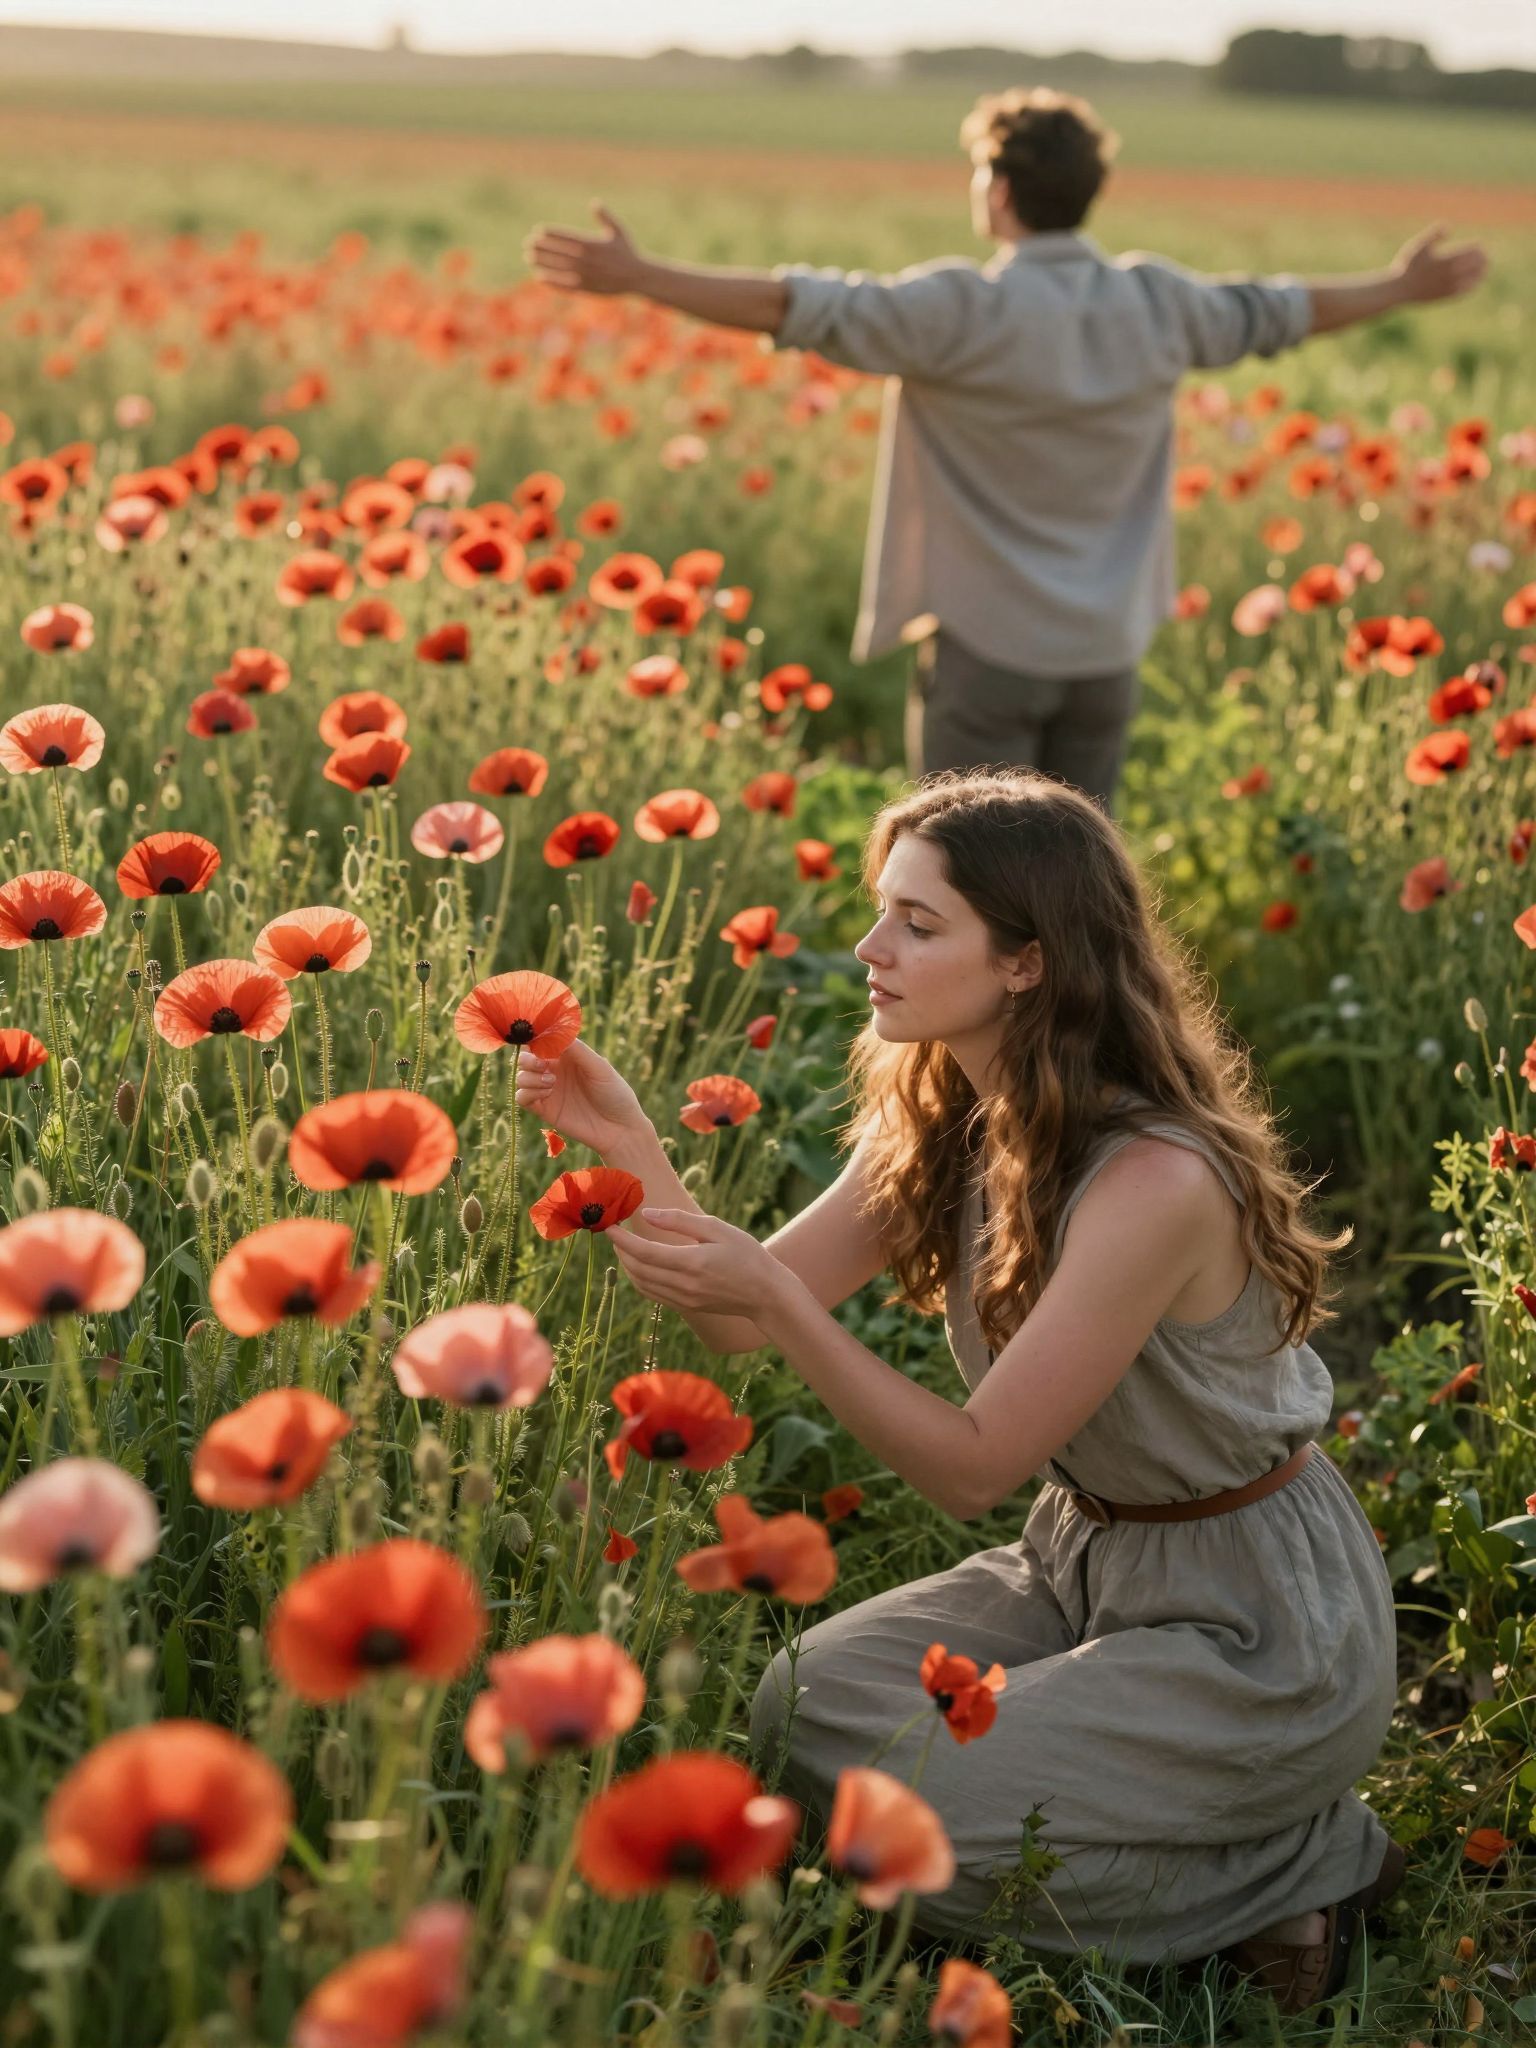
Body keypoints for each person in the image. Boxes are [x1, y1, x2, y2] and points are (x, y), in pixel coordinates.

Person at [513, 768, 1403, 2012]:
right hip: (1081, 1559)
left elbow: (973, 1461)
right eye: (885, 911)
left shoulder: (1152, 1178)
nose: (873, 948)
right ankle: (1198, 1831)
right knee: (803, 1706)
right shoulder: (956, 1122)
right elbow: (737, 1313)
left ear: (1028, 962)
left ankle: (1300, 1859)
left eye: (919, 924)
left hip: (1252, 1616)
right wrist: (630, 1149)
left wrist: (772, 1301)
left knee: (905, 1816)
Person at [523, 87, 1487, 805]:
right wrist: (1400, 288)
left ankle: (967, 1081)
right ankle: (1072, 1067)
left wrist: (644, 276)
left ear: (1001, 190)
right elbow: (1284, 309)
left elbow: (794, 305)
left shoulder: (961, 309)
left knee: (963, 882)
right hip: (1106, 647)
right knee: (1075, 883)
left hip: (987, 645)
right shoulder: (1161, 303)